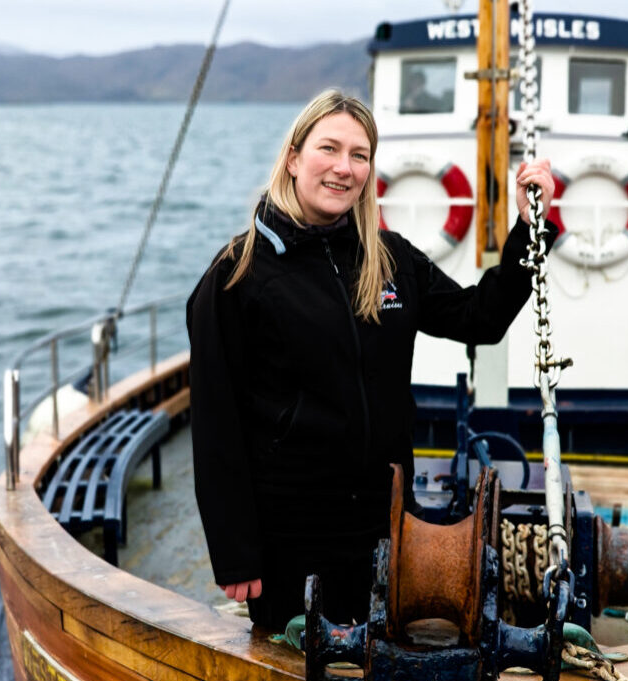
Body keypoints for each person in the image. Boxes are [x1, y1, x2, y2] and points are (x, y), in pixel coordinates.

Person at [186, 89, 556, 632]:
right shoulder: (238, 275)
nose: (344, 168)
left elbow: (481, 318)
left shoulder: (391, 261)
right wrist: (236, 553)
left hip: (383, 525)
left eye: (359, 155)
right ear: (293, 159)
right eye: (328, 149)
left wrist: (530, 229)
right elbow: (216, 426)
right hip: (292, 536)